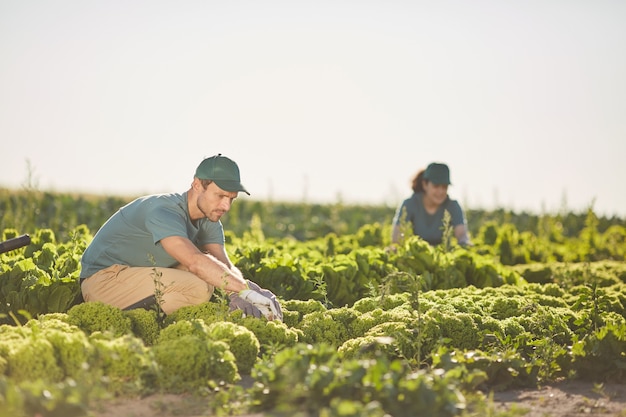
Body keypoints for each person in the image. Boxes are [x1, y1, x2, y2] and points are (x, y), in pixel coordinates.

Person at [79, 154, 282, 321]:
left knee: (213, 277)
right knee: (200, 286)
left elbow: (224, 266)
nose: (226, 206)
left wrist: (252, 291)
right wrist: (244, 290)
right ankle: (135, 323)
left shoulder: (209, 220)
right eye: (220, 196)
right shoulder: (163, 211)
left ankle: (157, 319)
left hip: (138, 276)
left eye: (231, 199)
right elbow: (194, 261)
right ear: (196, 185)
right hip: (103, 281)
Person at [391, 162, 471, 247]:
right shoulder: (410, 203)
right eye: (436, 186)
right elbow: (396, 238)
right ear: (425, 184)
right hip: (418, 254)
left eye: (444, 187)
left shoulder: (452, 206)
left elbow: (462, 235)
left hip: (443, 254)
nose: (440, 192)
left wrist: (465, 245)